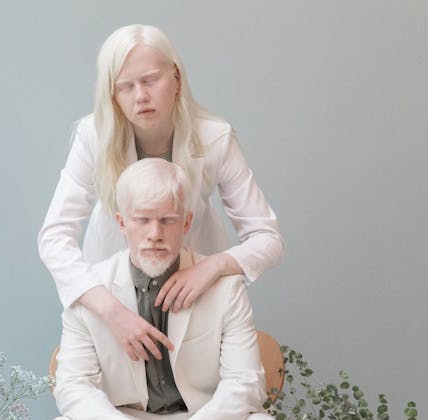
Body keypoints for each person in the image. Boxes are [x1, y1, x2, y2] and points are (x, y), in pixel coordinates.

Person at [31, 159, 298, 420]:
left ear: (186, 222)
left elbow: (246, 383)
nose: (154, 233)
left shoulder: (226, 287)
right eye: (142, 220)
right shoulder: (90, 291)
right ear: (121, 223)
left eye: (167, 220)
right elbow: (72, 386)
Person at [38, 24, 283, 363]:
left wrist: (211, 267)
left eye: (151, 80)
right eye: (125, 86)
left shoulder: (214, 138)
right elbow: (53, 237)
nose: (140, 96)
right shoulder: (92, 137)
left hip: (197, 296)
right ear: (111, 94)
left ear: (176, 78)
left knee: (199, 388)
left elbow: (267, 237)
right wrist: (110, 310)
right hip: (112, 295)